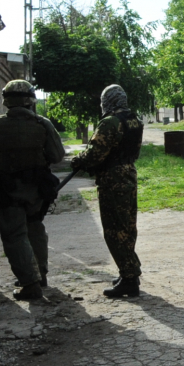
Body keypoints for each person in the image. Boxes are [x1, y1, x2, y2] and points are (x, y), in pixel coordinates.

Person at [0, 79, 64, 301]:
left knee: (15, 235)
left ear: (6, 100)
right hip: (37, 191)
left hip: (10, 190)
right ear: (30, 100)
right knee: (35, 228)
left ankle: (29, 283)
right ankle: (40, 274)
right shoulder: (43, 124)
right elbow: (57, 156)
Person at [72, 84, 145, 298]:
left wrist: (78, 161)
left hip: (112, 179)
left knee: (115, 229)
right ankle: (129, 272)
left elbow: (96, 154)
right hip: (129, 173)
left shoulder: (110, 122)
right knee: (127, 226)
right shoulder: (134, 120)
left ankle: (129, 279)